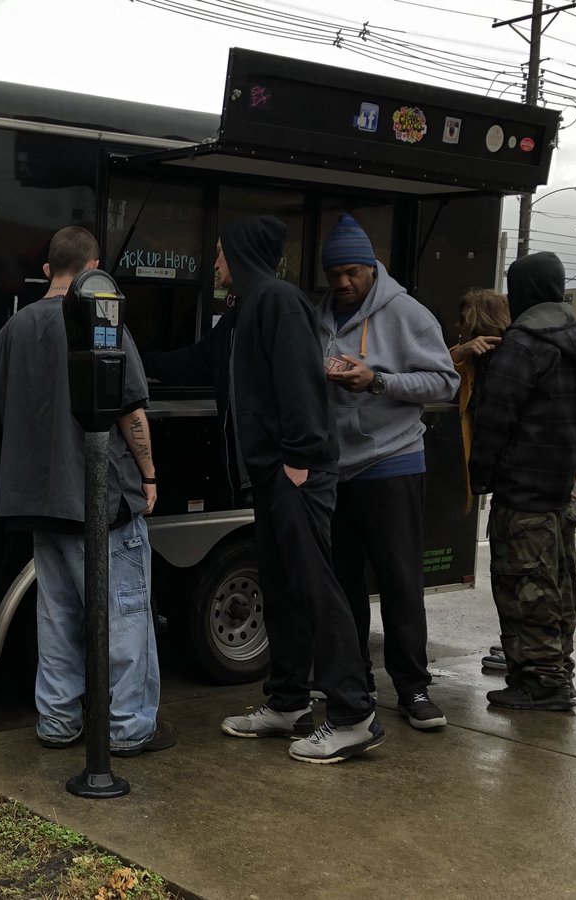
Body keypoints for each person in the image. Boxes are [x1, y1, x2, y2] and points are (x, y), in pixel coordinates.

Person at [0, 225, 175, 757]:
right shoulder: (102, 316)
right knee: (126, 616)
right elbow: (129, 408)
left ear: (48, 270)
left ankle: (57, 722)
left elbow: (1, 406)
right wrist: (150, 472)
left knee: (58, 617)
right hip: (101, 500)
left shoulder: (13, 330)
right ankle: (129, 729)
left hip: (37, 500)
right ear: (94, 268)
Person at [215, 215, 384, 765]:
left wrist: (298, 459)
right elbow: (205, 362)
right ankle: (287, 702)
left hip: (297, 472)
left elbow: (300, 384)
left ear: (239, 253)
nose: (215, 263)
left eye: (220, 253)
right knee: (283, 587)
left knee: (317, 590)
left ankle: (354, 715)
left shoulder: (279, 301)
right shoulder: (249, 307)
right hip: (274, 474)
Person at [314, 214, 459, 731]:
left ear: (373, 269)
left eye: (352, 273)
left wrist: (377, 381)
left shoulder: (406, 313)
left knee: (400, 581)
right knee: (343, 583)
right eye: (334, 274)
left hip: (392, 462)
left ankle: (413, 687)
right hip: (336, 469)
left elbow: (446, 383)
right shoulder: (320, 313)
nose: (343, 283)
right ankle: (353, 684)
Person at [469, 251, 576, 711]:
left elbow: (495, 417)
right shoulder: (575, 341)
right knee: (556, 583)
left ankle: (540, 682)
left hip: (521, 491)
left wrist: (480, 476)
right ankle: (557, 668)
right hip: (559, 488)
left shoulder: (522, 344)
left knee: (524, 586)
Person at [446, 288, 514, 671]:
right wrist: (463, 351)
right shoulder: (474, 356)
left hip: (514, 478)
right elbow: (435, 368)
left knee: (515, 569)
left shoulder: (507, 359)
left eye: (462, 320)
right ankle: (516, 645)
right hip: (499, 476)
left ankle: (520, 649)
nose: (457, 328)